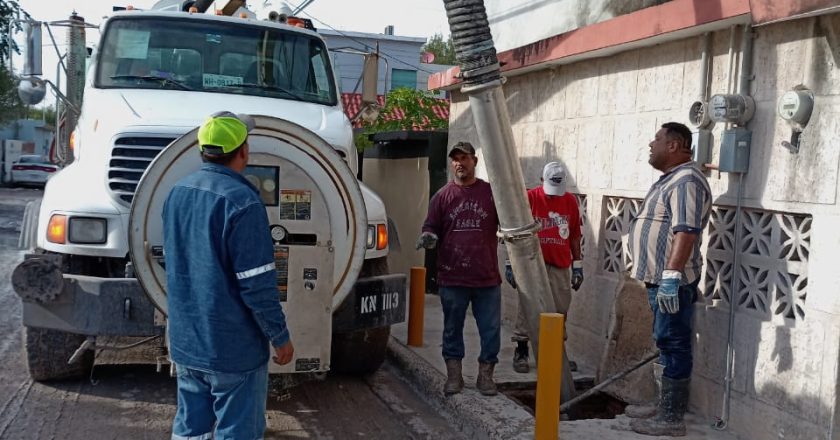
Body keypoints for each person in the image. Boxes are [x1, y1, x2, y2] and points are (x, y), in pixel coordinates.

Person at [163, 111, 294, 440]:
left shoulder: (176, 193)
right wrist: (279, 337)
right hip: (233, 349)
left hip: (187, 343)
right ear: (244, 152)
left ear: (201, 150)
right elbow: (258, 285)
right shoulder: (244, 203)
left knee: (190, 430)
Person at [627, 122, 711, 437]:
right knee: (664, 340)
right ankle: (664, 406)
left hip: (672, 281)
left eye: (658, 139)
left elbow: (686, 230)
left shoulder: (687, 180)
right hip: (659, 280)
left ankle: (672, 418)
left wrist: (672, 275)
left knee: (674, 342)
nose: (652, 143)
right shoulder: (671, 179)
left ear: (674, 145)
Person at [416, 141, 502, 397]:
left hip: (486, 277)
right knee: (452, 328)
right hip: (452, 277)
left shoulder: (490, 193)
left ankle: (486, 376)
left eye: (464, 158)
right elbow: (430, 225)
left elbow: (508, 222)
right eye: (455, 159)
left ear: (474, 161)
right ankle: (454, 376)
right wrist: (429, 236)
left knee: (491, 329)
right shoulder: (442, 196)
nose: (459, 163)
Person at [504, 161, 583, 373]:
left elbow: (575, 235)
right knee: (527, 306)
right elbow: (513, 231)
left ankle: (558, 353)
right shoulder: (530, 198)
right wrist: (510, 263)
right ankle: (521, 350)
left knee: (560, 308)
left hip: (559, 264)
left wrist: (578, 265)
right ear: (542, 181)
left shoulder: (570, 202)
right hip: (532, 263)